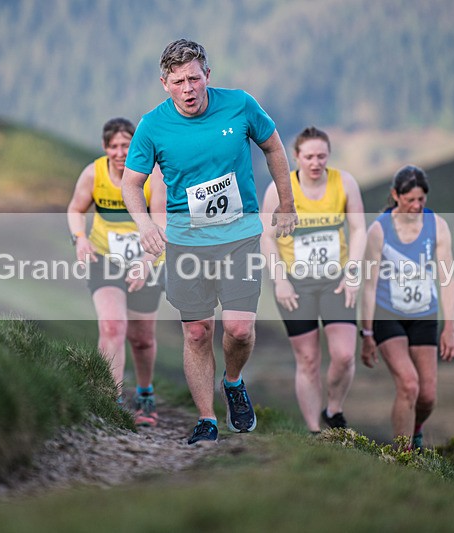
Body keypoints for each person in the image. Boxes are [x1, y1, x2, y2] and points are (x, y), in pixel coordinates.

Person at [121, 39, 297, 445]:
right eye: (179, 81)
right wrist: (145, 224)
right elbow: (132, 182)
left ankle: (232, 381)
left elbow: (273, 146)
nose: (189, 89)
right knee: (197, 333)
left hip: (239, 235)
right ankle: (206, 419)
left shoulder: (239, 104)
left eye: (195, 79)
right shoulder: (152, 125)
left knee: (238, 329)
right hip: (186, 242)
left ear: (207, 76)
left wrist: (286, 203)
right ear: (165, 83)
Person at [261, 126, 366, 434]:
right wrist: (280, 281)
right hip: (296, 282)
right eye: (309, 157)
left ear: (328, 155)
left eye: (321, 156)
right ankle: (314, 431)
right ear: (296, 157)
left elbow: (359, 229)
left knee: (345, 355)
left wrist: (353, 274)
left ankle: (333, 409)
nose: (315, 163)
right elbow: (266, 237)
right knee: (307, 358)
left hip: (336, 279)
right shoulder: (279, 190)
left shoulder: (344, 183)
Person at [67, 117, 166, 427]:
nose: (121, 153)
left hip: (147, 259)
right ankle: (110, 398)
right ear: (104, 148)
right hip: (105, 258)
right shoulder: (93, 173)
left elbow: (162, 223)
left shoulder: (154, 176)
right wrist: (80, 239)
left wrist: (146, 263)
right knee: (112, 326)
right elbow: (75, 209)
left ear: (136, 145)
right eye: (114, 147)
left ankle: (145, 393)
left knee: (142, 339)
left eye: (127, 145)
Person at [359, 164, 454, 450]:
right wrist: (366, 334)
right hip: (387, 315)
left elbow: (447, 280)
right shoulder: (378, 230)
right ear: (395, 195)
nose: (416, 205)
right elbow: (369, 285)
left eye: (421, 200)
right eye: (410, 199)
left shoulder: (437, 226)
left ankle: (415, 429)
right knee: (409, 385)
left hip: (424, 315)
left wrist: (450, 328)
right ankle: (402, 458)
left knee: (427, 396)